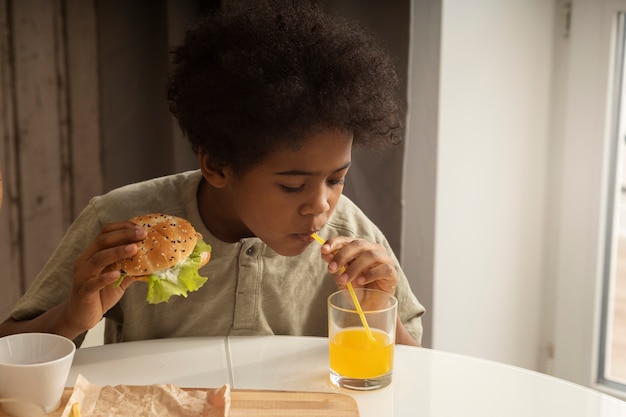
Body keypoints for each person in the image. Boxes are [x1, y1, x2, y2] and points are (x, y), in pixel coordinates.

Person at [0, 1, 425, 346]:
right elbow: (7, 348)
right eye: (293, 184)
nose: (321, 204)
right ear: (217, 165)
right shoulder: (120, 220)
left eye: (335, 179)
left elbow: (414, 372)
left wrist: (377, 306)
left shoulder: (352, 231)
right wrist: (72, 317)